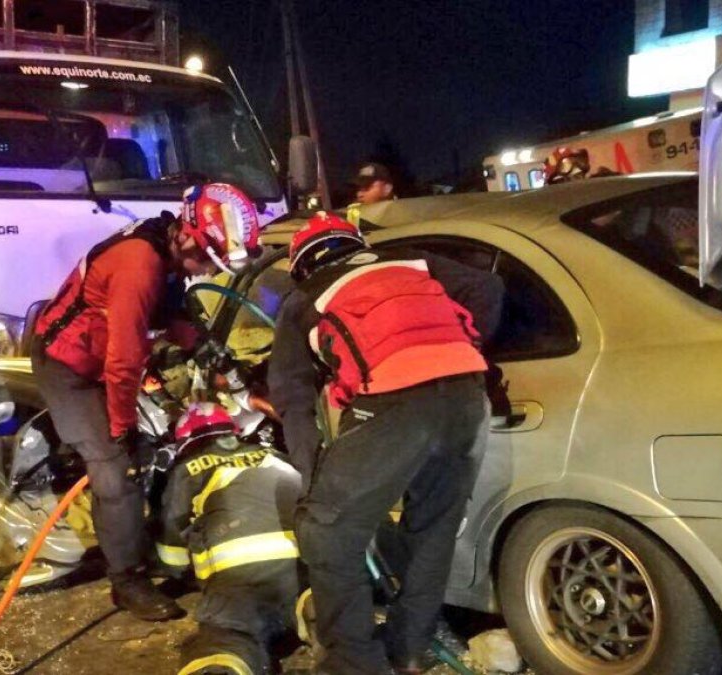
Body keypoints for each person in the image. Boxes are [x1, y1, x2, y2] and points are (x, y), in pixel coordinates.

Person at [269, 212, 504, 674]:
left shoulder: (303, 300)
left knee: (329, 535)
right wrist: (462, 343)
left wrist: (314, 475)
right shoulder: (412, 261)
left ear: (302, 265)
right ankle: (407, 651)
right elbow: (489, 289)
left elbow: (293, 399)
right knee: (432, 533)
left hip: (395, 402)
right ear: (355, 243)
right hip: (467, 397)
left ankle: (354, 663)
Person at [31, 183, 262, 621]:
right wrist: (121, 428)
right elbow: (123, 362)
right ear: (187, 236)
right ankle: (127, 581)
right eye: (204, 261)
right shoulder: (138, 264)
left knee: (163, 442)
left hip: (103, 359)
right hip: (69, 367)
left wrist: (217, 360)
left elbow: (179, 319)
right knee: (117, 469)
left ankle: (150, 543)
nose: (206, 272)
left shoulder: (168, 247)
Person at [154, 403, 303, 675]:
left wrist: (178, 573)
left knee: (225, 639)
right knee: (333, 609)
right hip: (309, 566)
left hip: (240, 583)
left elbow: (172, 544)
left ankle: (223, 663)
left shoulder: (187, 470)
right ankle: (322, 614)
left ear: (185, 442)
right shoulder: (275, 454)